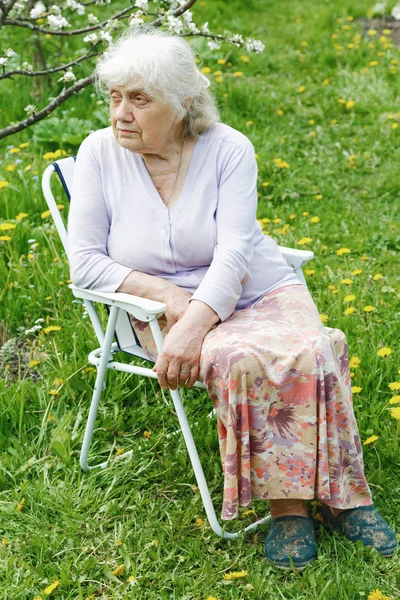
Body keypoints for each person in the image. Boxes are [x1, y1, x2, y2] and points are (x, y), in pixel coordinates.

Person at [67, 27, 398, 570]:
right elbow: (85, 263)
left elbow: (235, 254)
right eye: (114, 96)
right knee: (241, 360)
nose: (121, 113)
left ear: (183, 103)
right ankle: (290, 507)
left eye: (139, 99)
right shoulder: (99, 154)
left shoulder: (229, 148)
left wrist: (196, 319)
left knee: (318, 345)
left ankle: (345, 497)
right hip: (151, 307)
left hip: (255, 286)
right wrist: (171, 298)